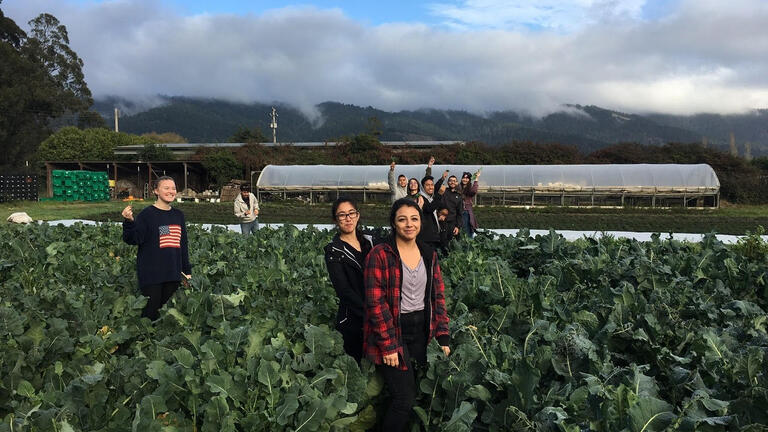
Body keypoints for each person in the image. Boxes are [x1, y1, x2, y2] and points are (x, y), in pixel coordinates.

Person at [364, 198, 451, 431]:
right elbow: (375, 302)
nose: (409, 224)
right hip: (393, 330)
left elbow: (437, 297)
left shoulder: (429, 254)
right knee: (404, 399)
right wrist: (389, 345)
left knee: (423, 390)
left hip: (422, 330)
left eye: (414, 219)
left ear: (421, 222)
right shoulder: (381, 254)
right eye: (402, 219)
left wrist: (442, 335)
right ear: (394, 223)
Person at [122, 176, 191, 320]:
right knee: (150, 314)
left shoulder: (178, 215)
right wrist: (129, 222)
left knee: (166, 316)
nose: (171, 191)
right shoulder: (147, 215)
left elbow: (182, 245)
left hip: (172, 274)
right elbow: (133, 239)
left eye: (173, 188)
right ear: (156, 191)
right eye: (166, 188)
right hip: (152, 275)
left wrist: (186, 271)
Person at [324, 197, 375, 363]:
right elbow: (344, 291)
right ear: (335, 220)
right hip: (354, 320)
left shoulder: (370, 241)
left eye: (351, 213)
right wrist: (370, 313)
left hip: (379, 314)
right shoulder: (334, 251)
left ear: (358, 215)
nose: (348, 218)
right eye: (342, 215)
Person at [417, 174, 445, 250]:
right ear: (423, 187)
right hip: (426, 237)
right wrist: (439, 194)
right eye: (427, 185)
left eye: (432, 185)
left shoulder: (430, 198)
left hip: (433, 236)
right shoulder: (420, 198)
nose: (431, 187)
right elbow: (429, 209)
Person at [441, 175, 463, 246]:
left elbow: (459, 213)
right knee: (442, 242)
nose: (452, 182)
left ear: (457, 183)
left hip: (452, 223)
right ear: (448, 182)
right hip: (442, 221)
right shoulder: (443, 191)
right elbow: (437, 203)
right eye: (450, 180)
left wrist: (457, 226)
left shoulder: (459, 196)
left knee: (451, 244)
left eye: (454, 181)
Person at [460, 170, 480, 238]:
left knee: (467, 229)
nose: (465, 179)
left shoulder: (470, 188)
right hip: (457, 211)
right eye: (464, 178)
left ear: (469, 180)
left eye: (467, 178)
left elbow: (474, 191)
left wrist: (476, 179)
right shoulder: (458, 187)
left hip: (466, 211)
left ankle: (468, 245)